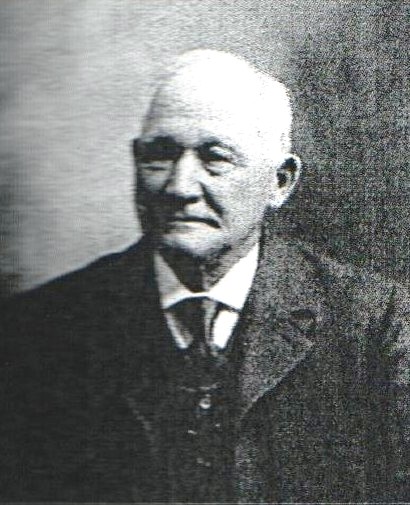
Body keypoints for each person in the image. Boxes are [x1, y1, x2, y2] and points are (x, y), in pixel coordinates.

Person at [0, 49, 409, 503]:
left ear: (280, 182)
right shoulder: (43, 328)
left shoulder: (375, 327)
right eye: (160, 155)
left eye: (215, 158)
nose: (179, 187)